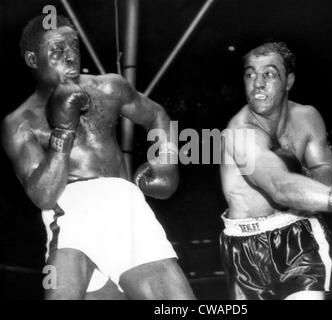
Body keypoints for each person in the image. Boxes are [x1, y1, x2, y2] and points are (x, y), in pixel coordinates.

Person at [2, 14, 195, 300]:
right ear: (33, 59)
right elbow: (43, 196)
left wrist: (165, 160)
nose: (70, 57)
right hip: (69, 213)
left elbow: (157, 115)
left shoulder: (108, 87)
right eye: (57, 50)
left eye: (74, 47)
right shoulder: (20, 122)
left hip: (123, 205)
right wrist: (63, 133)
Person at [220, 41, 332, 300]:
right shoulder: (239, 133)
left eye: (269, 74)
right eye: (250, 74)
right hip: (243, 249)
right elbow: (279, 187)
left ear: (289, 81)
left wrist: (309, 184)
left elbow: (325, 170)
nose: (258, 83)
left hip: (299, 236)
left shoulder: (307, 117)